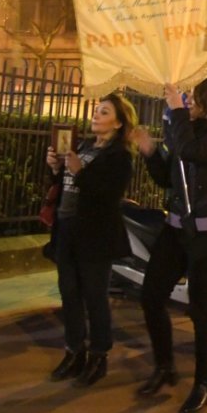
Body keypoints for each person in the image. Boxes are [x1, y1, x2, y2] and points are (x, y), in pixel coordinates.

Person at [135, 76, 207, 413]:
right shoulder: (190, 128)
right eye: (189, 100)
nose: (191, 103)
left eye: (196, 99)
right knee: (151, 295)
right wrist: (151, 153)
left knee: (201, 308)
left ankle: (202, 383)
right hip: (177, 228)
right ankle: (164, 366)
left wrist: (178, 113)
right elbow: (168, 177)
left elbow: (192, 152)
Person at [43, 93, 136, 387]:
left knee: (95, 297)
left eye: (104, 112)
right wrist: (57, 170)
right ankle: (74, 351)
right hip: (68, 229)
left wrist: (79, 172)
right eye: (96, 111)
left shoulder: (119, 156)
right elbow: (67, 185)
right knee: (69, 294)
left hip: (95, 235)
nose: (96, 116)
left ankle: (99, 355)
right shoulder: (82, 146)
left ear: (118, 122)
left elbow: (108, 195)